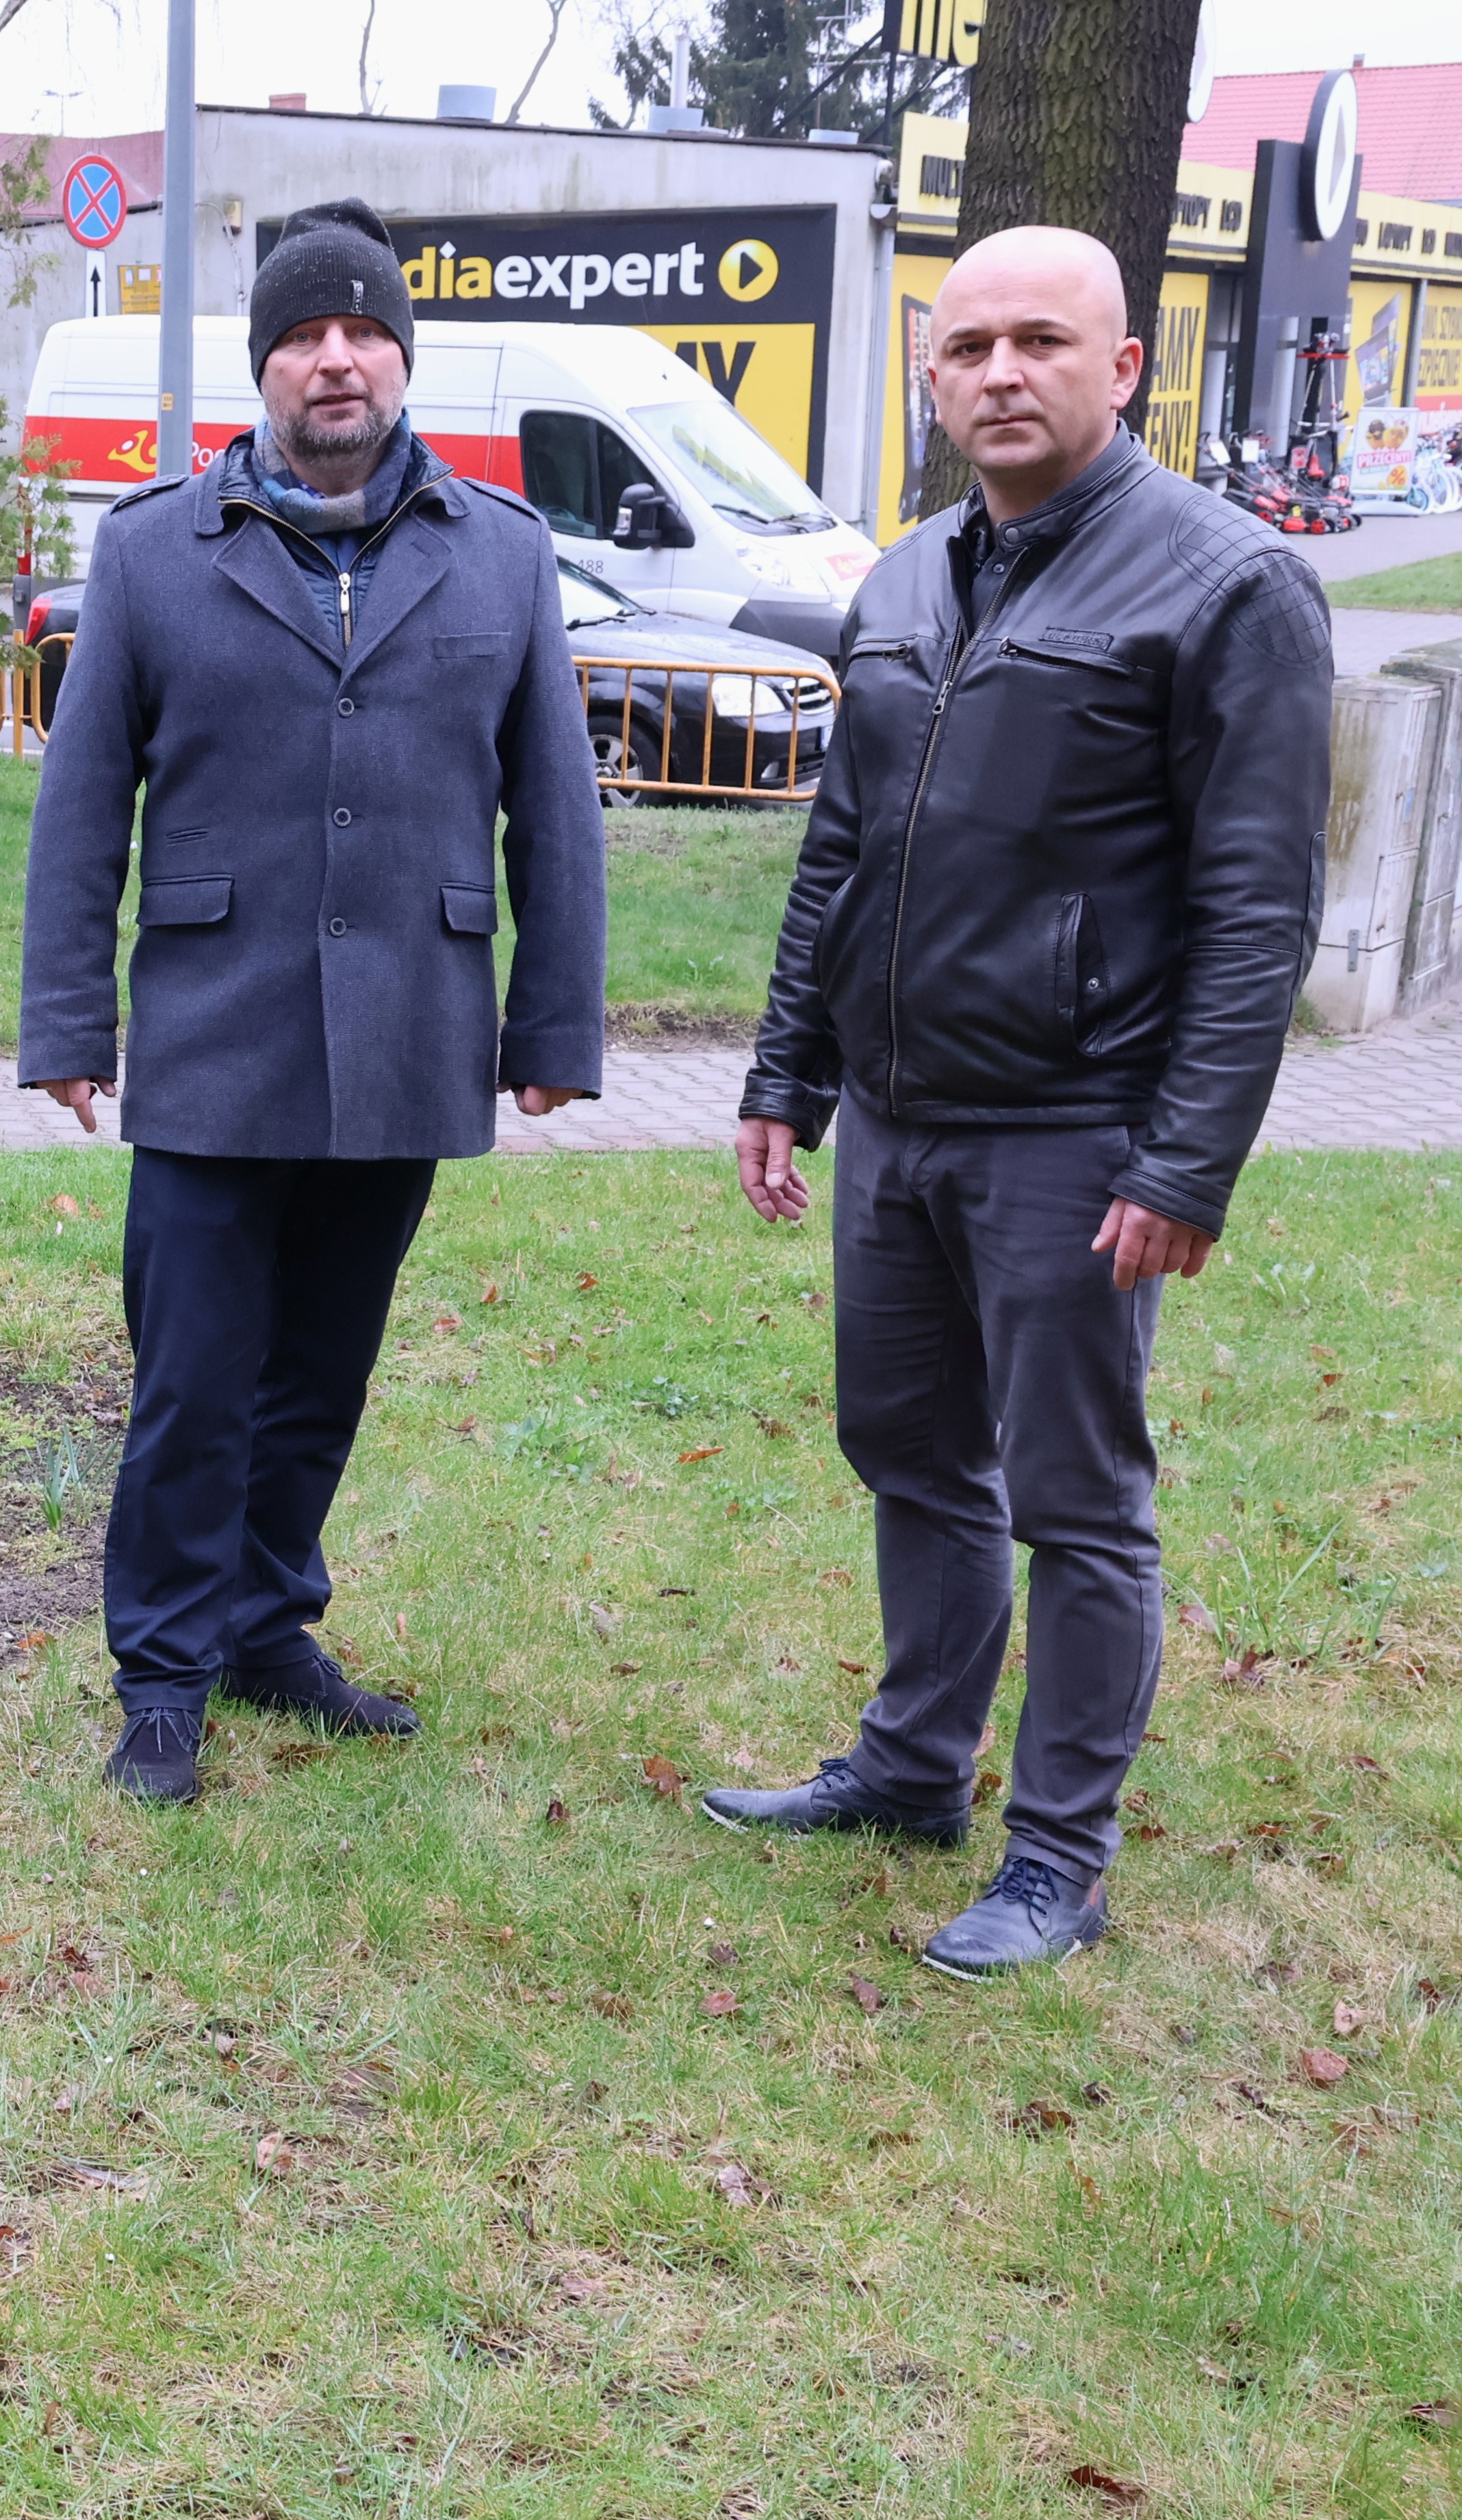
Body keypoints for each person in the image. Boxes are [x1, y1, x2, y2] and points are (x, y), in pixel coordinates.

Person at [708, 225, 1329, 1978]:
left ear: (1122, 367)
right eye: (966, 344)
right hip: (900, 1118)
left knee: (1076, 1497)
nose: (999, 372)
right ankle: (914, 1772)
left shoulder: (1224, 586)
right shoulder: (903, 583)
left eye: (1041, 341)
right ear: (931, 373)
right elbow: (845, 847)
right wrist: (788, 1072)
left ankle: (1059, 1856)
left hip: (1079, 1133)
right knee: (909, 1451)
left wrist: (1187, 1160)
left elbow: (1257, 905)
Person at [20, 197, 606, 1806]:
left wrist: (554, 1028)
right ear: (263, 367)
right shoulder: (151, 551)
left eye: (363, 333)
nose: (334, 358)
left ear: (401, 360)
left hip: (409, 1033)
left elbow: (552, 803)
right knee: (194, 1379)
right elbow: (81, 815)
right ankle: (163, 1673)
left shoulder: (505, 552)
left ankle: (269, 1627)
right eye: (302, 334)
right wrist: (70, 1025)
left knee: (323, 1373)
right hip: (217, 1034)